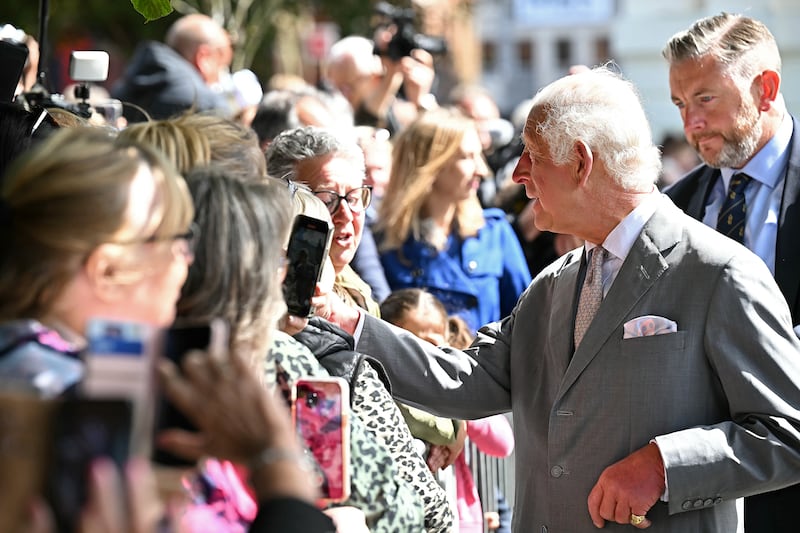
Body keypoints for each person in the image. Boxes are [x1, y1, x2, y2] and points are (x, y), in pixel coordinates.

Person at [322, 66, 800, 532]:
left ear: (580, 162)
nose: (516, 173)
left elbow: (787, 434)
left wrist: (664, 465)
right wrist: (346, 322)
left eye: (532, 154)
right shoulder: (553, 283)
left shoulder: (720, 272)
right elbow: (468, 380)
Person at [168, 167, 423, 532]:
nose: (293, 274)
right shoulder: (283, 360)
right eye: (285, 258)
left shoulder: (126, 357)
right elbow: (401, 513)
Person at [661, 13, 800, 531]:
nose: (690, 124)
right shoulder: (673, 208)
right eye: (680, 104)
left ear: (765, 89)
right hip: (705, 491)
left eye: (704, 99)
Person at [0, 126, 194, 398]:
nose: (187, 257)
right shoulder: (66, 399)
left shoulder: (20, 349)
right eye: (177, 238)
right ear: (107, 272)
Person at [376, 107, 531, 333]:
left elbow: (527, 321)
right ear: (431, 163)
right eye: (468, 157)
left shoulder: (493, 232)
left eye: (480, 155)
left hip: (485, 367)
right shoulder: (384, 241)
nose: (482, 169)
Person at [265, 126, 385, 315]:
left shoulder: (359, 291)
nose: (345, 215)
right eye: (327, 201)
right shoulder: (271, 298)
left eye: (353, 198)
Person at [112, 13, 235, 122]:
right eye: (222, 67)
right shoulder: (205, 105)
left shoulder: (127, 86)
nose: (221, 78)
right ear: (204, 57)